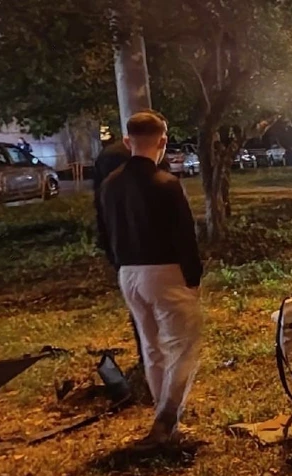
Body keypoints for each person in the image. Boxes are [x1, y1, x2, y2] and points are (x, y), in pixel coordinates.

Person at [99, 110, 203, 447]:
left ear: (128, 141)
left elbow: (104, 235)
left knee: (152, 347)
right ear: (163, 141)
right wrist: (193, 278)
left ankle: (164, 422)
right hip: (166, 272)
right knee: (183, 346)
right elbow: (184, 236)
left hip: (128, 274)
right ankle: (167, 417)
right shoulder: (167, 184)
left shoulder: (110, 183)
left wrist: (121, 266)